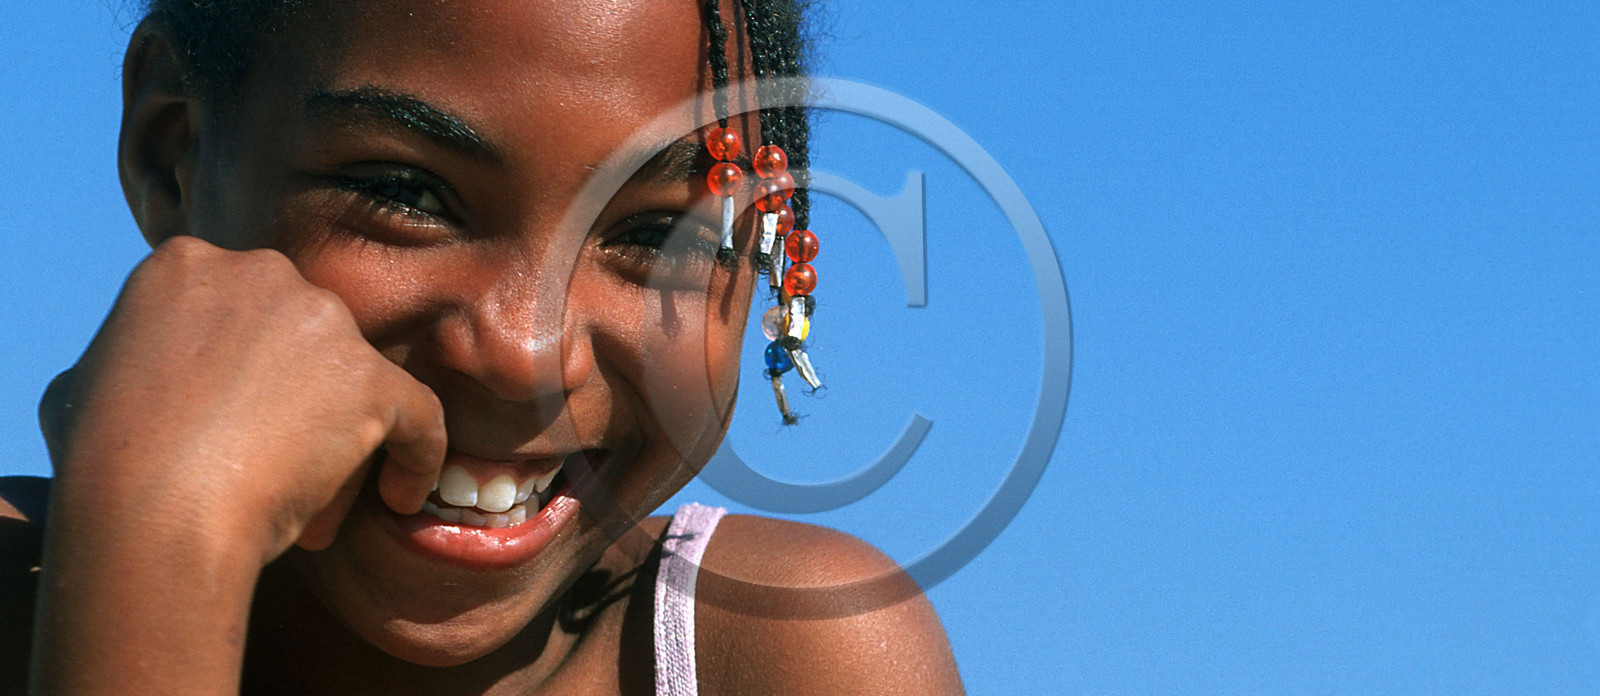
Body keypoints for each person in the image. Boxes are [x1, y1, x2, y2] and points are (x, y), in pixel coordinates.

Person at [0, 1, 965, 693]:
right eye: (405, 192)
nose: (524, 354)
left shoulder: (780, 657)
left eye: (657, 236)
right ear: (172, 152)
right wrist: (162, 540)